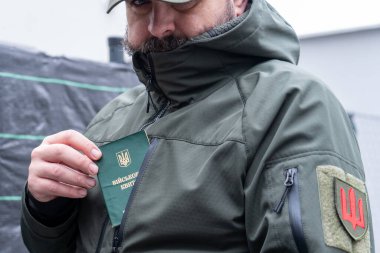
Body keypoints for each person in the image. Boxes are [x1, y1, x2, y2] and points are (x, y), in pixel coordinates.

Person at [21, 0, 375, 252]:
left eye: (182, 0)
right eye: (141, 2)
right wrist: (47, 208)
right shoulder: (111, 118)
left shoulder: (290, 104)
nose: (158, 25)